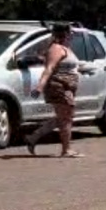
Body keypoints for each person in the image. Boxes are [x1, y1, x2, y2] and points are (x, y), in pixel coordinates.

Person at [25, 23, 83, 157]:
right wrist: (39, 87)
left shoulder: (66, 48)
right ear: (65, 33)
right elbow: (49, 69)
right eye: (71, 31)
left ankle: (33, 137)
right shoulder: (56, 49)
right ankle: (66, 150)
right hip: (58, 86)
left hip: (67, 87)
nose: (73, 34)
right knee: (66, 118)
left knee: (65, 117)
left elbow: (69, 67)